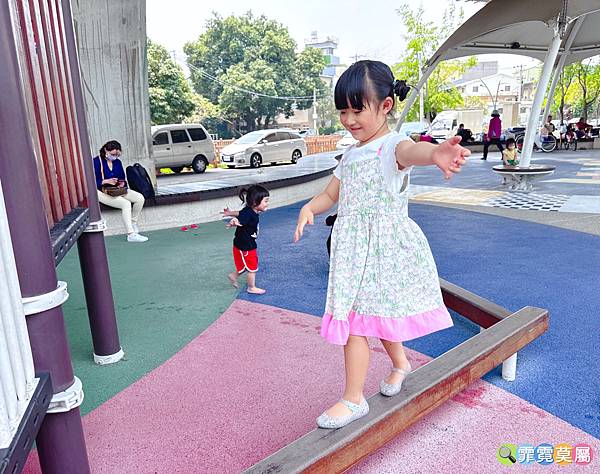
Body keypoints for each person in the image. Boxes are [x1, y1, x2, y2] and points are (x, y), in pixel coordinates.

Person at [294, 60, 468, 429]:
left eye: (358, 110)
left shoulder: (391, 147)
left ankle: (353, 398)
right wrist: (311, 207)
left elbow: (413, 153)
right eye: (343, 111)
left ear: (386, 106)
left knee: (358, 320)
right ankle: (401, 363)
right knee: (375, 314)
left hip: (383, 250)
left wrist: (435, 153)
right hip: (353, 250)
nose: (349, 119)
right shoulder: (351, 154)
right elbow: (331, 193)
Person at [93, 140, 148, 243]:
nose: (115, 157)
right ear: (106, 150)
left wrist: (122, 183)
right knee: (125, 204)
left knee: (140, 198)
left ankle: (133, 222)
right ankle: (130, 234)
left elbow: (122, 177)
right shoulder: (96, 161)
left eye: (117, 155)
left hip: (116, 189)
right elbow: (90, 181)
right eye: (113, 154)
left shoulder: (117, 162)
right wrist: (105, 181)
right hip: (100, 191)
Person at [223, 185, 270, 294]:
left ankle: (233, 276)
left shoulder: (249, 211)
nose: (267, 204)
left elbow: (241, 213)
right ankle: (251, 287)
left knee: (246, 266)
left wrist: (230, 213)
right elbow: (239, 219)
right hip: (246, 246)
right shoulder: (249, 214)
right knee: (252, 268)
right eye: (265, 201)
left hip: (243, 244)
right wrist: (234, 221)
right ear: (255, 202)